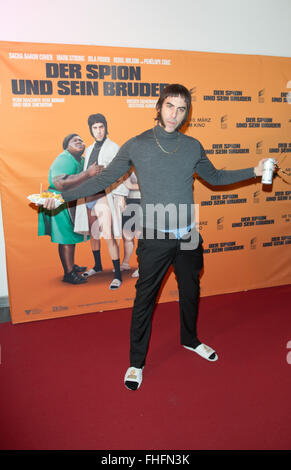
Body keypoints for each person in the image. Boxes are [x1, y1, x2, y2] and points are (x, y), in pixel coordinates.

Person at [57, 84, 269, 390]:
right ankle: (136, 362)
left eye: (182, 109)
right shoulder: (137, 144)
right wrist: (62, 197)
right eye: (170, 106)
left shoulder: (193, 146)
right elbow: (103, 179)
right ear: (160, 107)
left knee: (191, 291)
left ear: (187, 113)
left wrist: (254, 168)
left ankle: (190, 339)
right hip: (155, 237)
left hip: (188, 235)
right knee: (145, 299)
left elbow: (216, 177)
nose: (175, 114)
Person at [38, 133, 100, 284]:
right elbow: (60, 183)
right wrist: (87, 173)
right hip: (58, 202)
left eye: (81, 140)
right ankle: (69, 273)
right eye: (75, 140)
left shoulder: (82, 160)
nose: (80, 142)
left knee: (70, 236)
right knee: (66, 238)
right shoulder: (64, 158)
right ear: (67, 146)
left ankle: (70, 264)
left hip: (70, 201)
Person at [78, 114, 123, 290]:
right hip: (88, 198)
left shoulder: (114, 148)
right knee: (93, 234)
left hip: (103, 197)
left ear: (106, 127)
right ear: (91, 130)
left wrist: (120, 196)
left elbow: (120, 173)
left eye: (101, 127)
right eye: (95, 128)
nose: (98, 131)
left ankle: (117, 274)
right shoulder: (88, 149)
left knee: (108, 235)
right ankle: (97, 266)